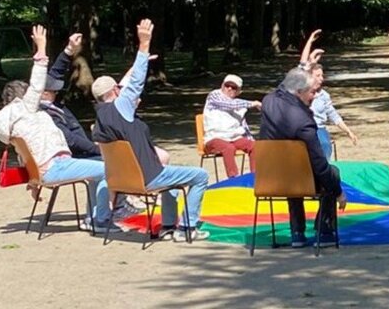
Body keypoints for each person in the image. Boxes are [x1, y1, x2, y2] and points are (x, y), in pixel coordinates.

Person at [91, 19, 210, 242]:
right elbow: (135, 83)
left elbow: (127, 84)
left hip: (121, 180)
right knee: (200, 176)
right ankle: (187, 228)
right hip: (147, 177)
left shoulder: (99, 119)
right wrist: (143, 46)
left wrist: (134, 68)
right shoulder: (121, 107)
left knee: (169, 173)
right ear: (116, 91)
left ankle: (167, 226)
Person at [0, 25, 116, 233]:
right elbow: (40, 80)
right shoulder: (28, 110)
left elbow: (51, 78)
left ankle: (94, 217)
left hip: (44, 170)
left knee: (98, 167)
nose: (40, 95)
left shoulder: (9, 124)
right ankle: (100, 220)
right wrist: (41, 48)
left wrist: (68, 50)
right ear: (23, 98)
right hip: (56, 167)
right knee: (106, 169)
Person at [259, 66, 347, 248]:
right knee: (331, 172)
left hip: (268, 178)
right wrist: (338, 192)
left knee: (292, 171)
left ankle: (297, 233)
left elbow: (284, 85)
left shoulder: (268, 101)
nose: (314, 96)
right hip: (298, 180)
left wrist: (305, 65)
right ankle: (325, 230)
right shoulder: (304, 121)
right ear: (299, 92)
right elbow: (320, 165)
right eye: (312, 92)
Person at [39, 32, 101, 160]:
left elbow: (56, 72)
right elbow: (71, 141)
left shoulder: (49, 101)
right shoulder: (46, 115)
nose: (57, 93)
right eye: (54, 91)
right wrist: (97, 149)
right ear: (44, 93)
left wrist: (70, 49)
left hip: (83, 149)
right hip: (76, 155)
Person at [299, 29, 359, 160]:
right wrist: (310, 41)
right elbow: (302, 65)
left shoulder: (324, 95)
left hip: (319, 128)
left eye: (322, 75)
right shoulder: (302, 90)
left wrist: (348, 131)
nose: (321, 78)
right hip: (303, 128)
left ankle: (324, 171)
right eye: (318, 75)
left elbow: (334, 115)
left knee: (324, 143)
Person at [202, 74, 261, 178]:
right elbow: (229, 104)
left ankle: (255, 177)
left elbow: (244, 126)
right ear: (222, 85)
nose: (229, 88)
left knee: (255, 145)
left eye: (233, 87)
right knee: (228, 148)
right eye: (227, 85)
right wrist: (254, 103)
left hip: (234, 138)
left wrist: (251, 142)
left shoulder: (240, 105)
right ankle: (233, 178)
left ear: (239, 91)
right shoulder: (214, 95)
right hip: (214, 138)